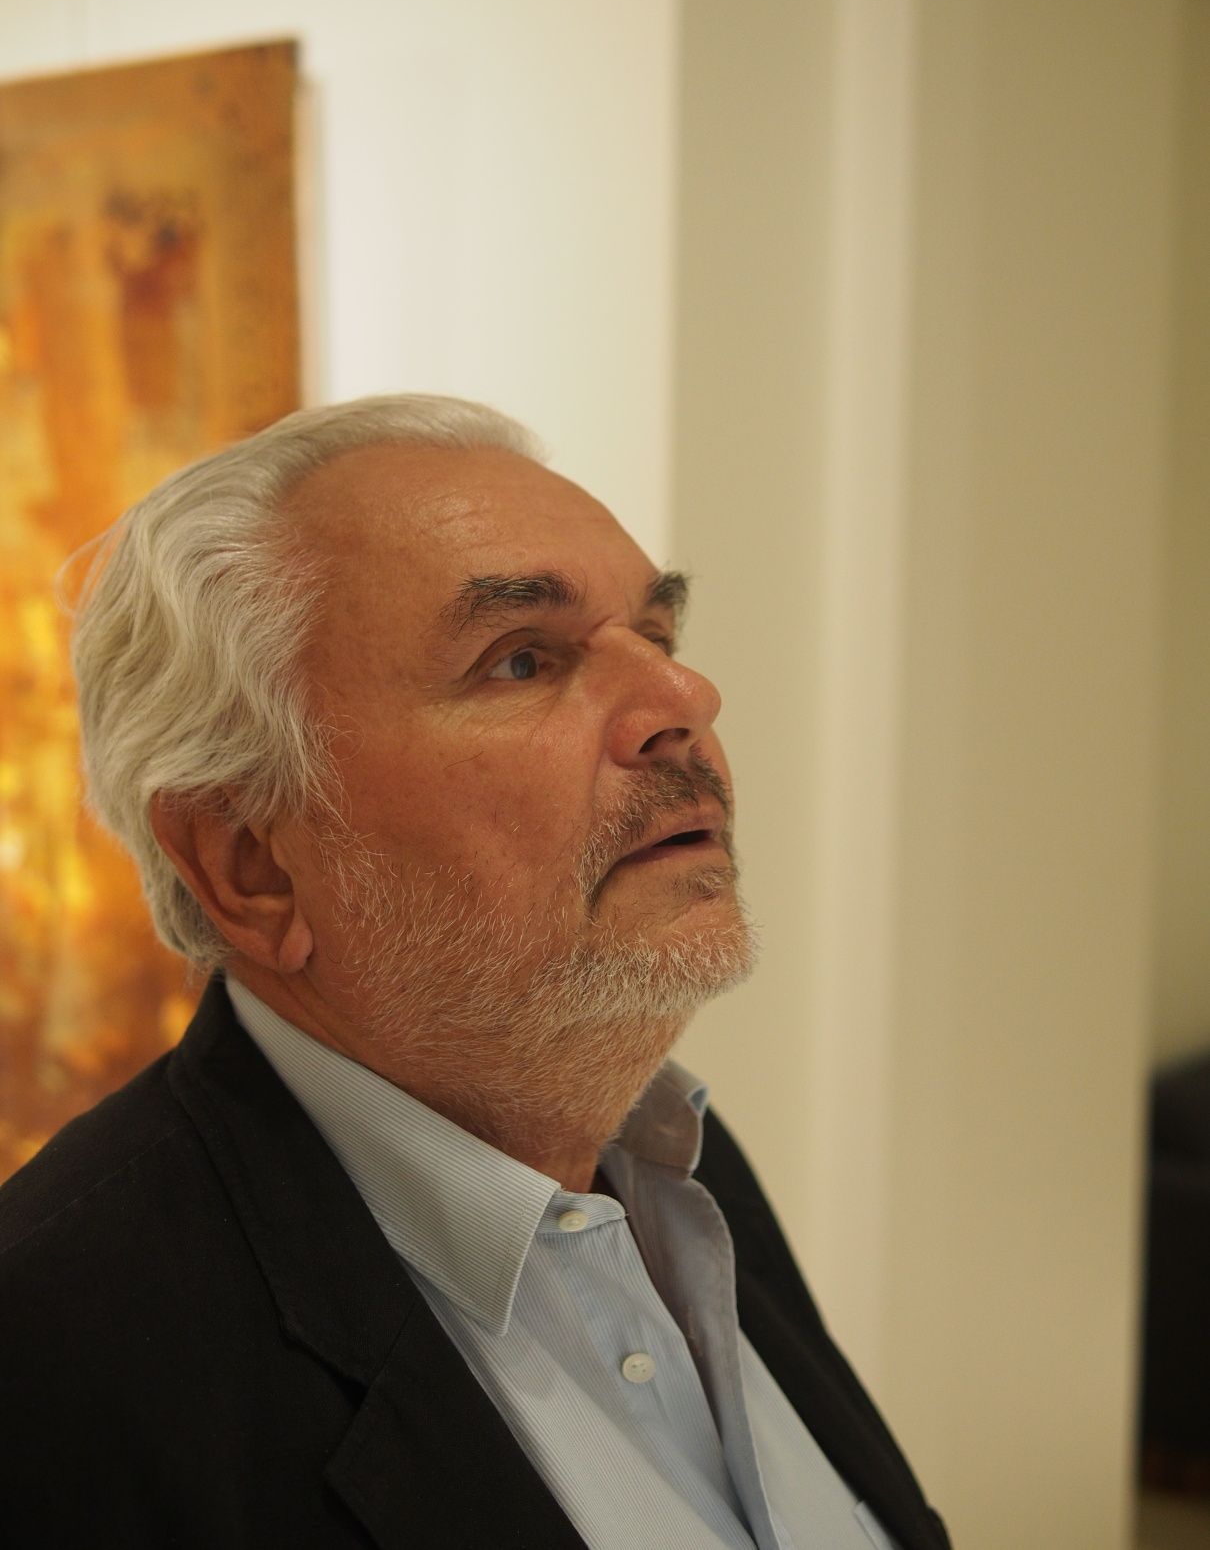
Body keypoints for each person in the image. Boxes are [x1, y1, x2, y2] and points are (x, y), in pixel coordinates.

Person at [0, 396, 950, 1549]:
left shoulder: (679, 1169)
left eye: (657, 636)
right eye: (523, 659)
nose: (684, 701)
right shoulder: (56, 1363)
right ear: (251, 863)